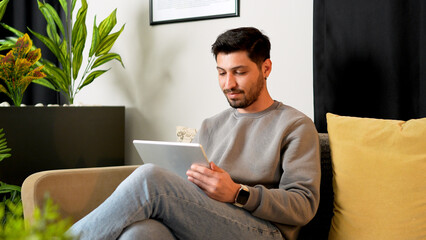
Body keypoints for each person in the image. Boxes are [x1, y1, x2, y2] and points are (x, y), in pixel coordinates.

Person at [69, 27, 320, 240]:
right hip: (208, 219)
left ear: (266, 68)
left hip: (265, 230)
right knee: (140, 233)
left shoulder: (295, 125)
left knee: (150, 178)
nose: (228, 84)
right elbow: (189, 192)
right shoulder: (211, 125)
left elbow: (304, 205)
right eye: (222, 73)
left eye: (239, 72)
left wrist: (238, 193)